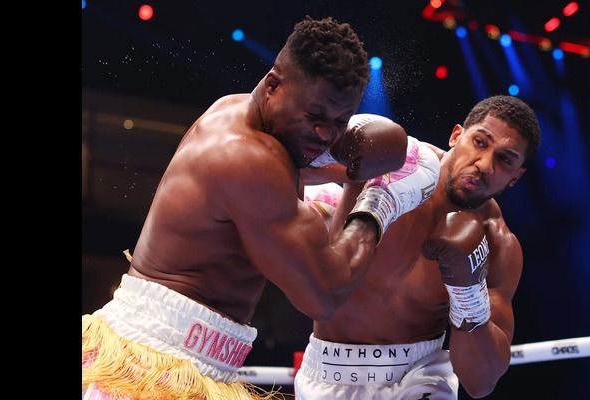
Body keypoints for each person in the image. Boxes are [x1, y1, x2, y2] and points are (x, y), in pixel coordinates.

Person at [82, 16, 440, 400]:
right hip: (154, 366)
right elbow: (324, 294)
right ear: (273, 85)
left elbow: (352, 160)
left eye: (339, 122)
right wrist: (379, 200)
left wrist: (425, 160)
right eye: (315, 117)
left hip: (189, 360)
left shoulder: (246, 115)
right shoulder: (248, 159)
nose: (325, 134)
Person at [295, 95, 542, 399]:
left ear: (516, 177)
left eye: (504, 160)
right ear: (456, 136)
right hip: (325, 372)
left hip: (421, 379)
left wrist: (469, 291)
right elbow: (291, 166)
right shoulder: (395, 161)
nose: (484, 165)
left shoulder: (497, 243)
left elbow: (481, 382)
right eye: (480, 142)